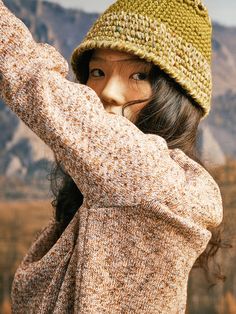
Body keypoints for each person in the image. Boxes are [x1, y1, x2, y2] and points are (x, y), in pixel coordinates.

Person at [0, 0, 223, 313]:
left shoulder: (156, 182)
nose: (109, 92)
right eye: (98, 71)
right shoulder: (100, 195)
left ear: (178, 99)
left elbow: (28, 76)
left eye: (139, 75)